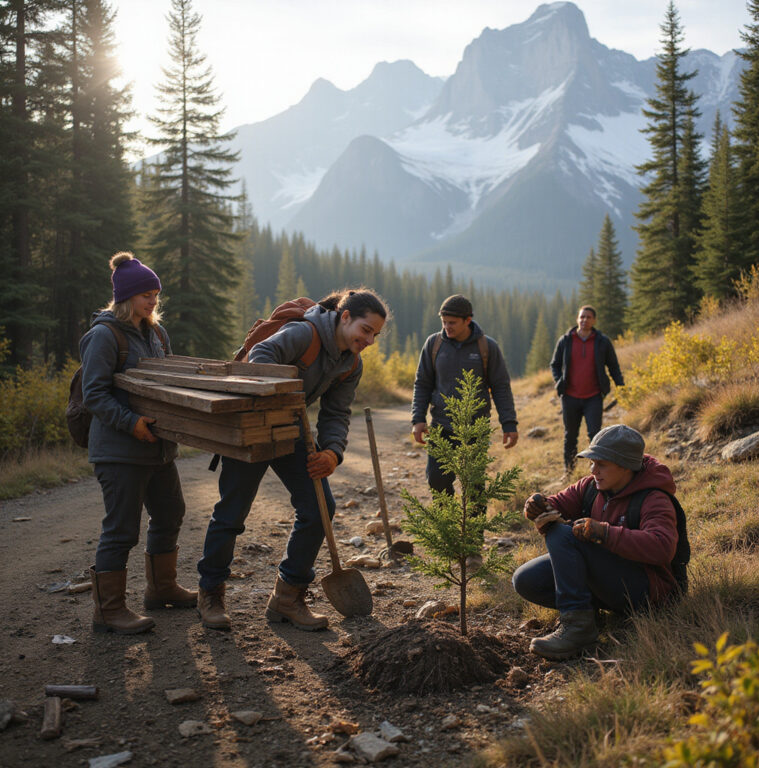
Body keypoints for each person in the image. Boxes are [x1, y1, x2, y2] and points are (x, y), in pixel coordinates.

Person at [196, 288, 389, 632]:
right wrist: (284, 392)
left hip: (291, 429)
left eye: (375, 334)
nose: (369, 339)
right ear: (345, 317)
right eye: (366, 329)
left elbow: (337, 412)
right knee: (232, 512)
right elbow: (261, 354)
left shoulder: (350, 364)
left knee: (319, 509)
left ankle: (287, 597)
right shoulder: (305, 333)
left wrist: (332, 452)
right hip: (250, 425)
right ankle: (210, 592)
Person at [80, 252, 195, 635]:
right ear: (126, 297)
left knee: (170, 513)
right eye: (146, 294)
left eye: (156, 294)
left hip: (158, 448)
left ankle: (161, 589)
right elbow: (93, 394)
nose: (152, 301)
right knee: (121, 529)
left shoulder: (157, 333)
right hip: (119, 451)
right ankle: (108, 611)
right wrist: (132, 424)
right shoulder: (104, 335)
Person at [512, 424, 679, 660]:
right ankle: (587, 615)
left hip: (647, 592)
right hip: (608, 580)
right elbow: (556, 503)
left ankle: (578, 628)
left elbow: (662, 548)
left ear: (624, 465)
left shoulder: (654, 498)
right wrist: (537, 505)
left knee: (562, 534)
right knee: (525, 579)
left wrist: (605, 533)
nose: (593, 470)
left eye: (601, 464)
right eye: (591, 462)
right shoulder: (590, 486)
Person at [411, 294, 518, 497]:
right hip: (441, 426)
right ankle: (447, 526)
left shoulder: (487, 347)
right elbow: (422, 384)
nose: (447, 327)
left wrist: (509, 424)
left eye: (452, 323)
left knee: (474, 488)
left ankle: (473, 530)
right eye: (443, 322)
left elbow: (501, 387)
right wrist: (418, 419)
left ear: (467, 320)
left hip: (475, 428)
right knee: (436, 480)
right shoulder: (434, 344)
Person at [550, 305, 624, 476]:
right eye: (582, 317)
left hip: (594, 397)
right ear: (577, 319)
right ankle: (568, 472)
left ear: (594, 320)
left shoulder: (602, 342)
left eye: (588, 317)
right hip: (569, 397)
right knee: (570, 436)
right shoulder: (566, 340)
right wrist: (559, 381)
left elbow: (613, 366)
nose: (584, 320)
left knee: (595, 436)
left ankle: (596, 472)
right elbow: (555, 364)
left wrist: (621, 386)